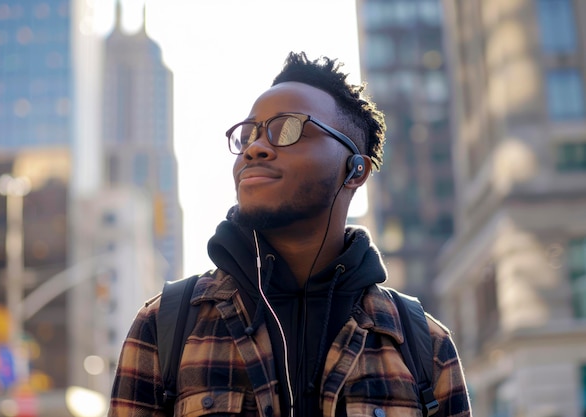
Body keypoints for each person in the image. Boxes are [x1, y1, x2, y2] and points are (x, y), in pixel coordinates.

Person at [109, 51, 471, 417]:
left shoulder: (424, 345)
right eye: (249, 134)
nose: (255, 148)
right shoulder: (165, 325)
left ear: (355, 169)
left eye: (288, 129)